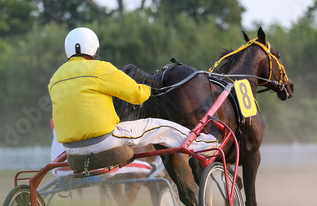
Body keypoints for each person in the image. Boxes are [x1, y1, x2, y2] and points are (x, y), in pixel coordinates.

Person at [48, 27, 218, 162]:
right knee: (161, 126)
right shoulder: (100, 69)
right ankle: (207, 143)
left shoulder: (55, 78)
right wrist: (151, 89)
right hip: (103, 140)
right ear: (94, 49)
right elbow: (135, 94)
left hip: (70, 149)